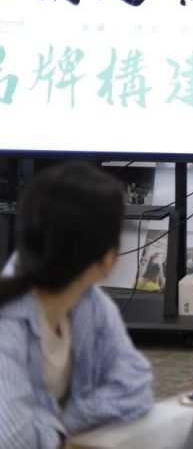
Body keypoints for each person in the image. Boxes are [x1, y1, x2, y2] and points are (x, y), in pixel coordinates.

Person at [0, 161, 154, 449]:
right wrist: (75, 420)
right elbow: (15, 441)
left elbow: (136, 385)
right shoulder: (7, 325)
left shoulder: (89, 303)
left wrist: (58, 419)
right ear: (107, 259)